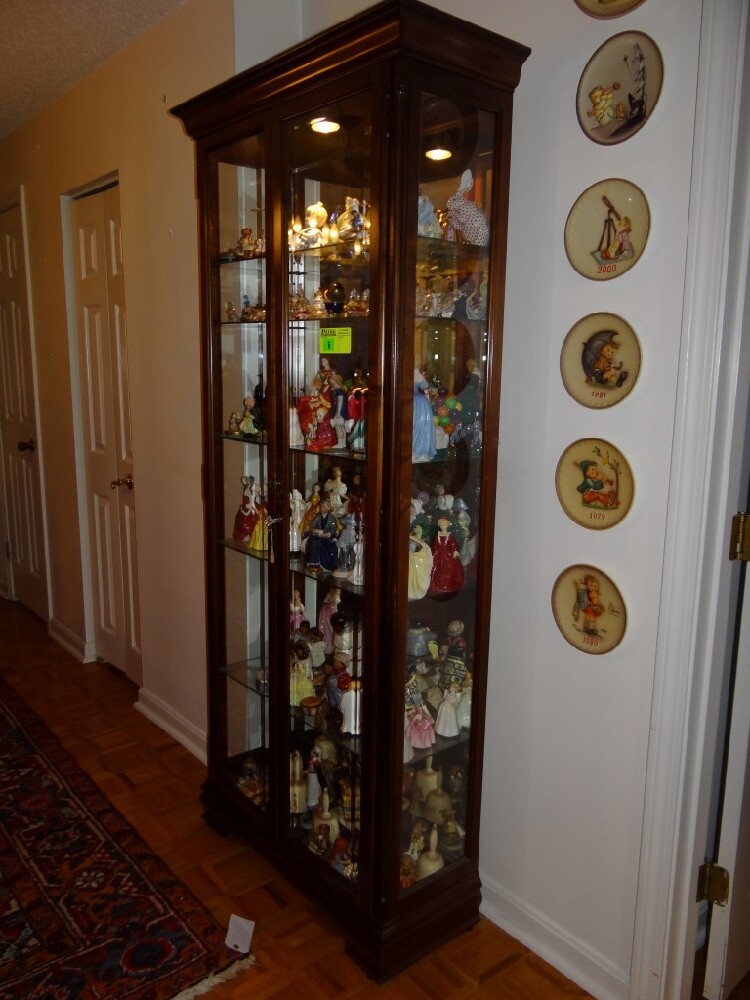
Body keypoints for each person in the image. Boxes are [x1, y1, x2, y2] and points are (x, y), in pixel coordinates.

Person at [428, 516, 464, 596]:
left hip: (447, 556)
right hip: (438, 555)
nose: (442, 527)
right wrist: (433, 552)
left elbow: (453, 544)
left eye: (444, 525)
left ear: (447, 525)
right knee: (436, 569)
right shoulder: (437, 534)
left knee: (447, 570)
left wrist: (455, 550)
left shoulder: (449, 535)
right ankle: (437, 586)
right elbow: (434, 544)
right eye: (441, 525)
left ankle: (446, 585)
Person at [412, 357, 436, 462]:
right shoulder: (417, 374)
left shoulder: (407, 373)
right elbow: (424, 385)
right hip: (419, 402)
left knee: (415, 424)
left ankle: (413, 450)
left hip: (410, 400)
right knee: (422, 425)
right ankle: (420, 450)